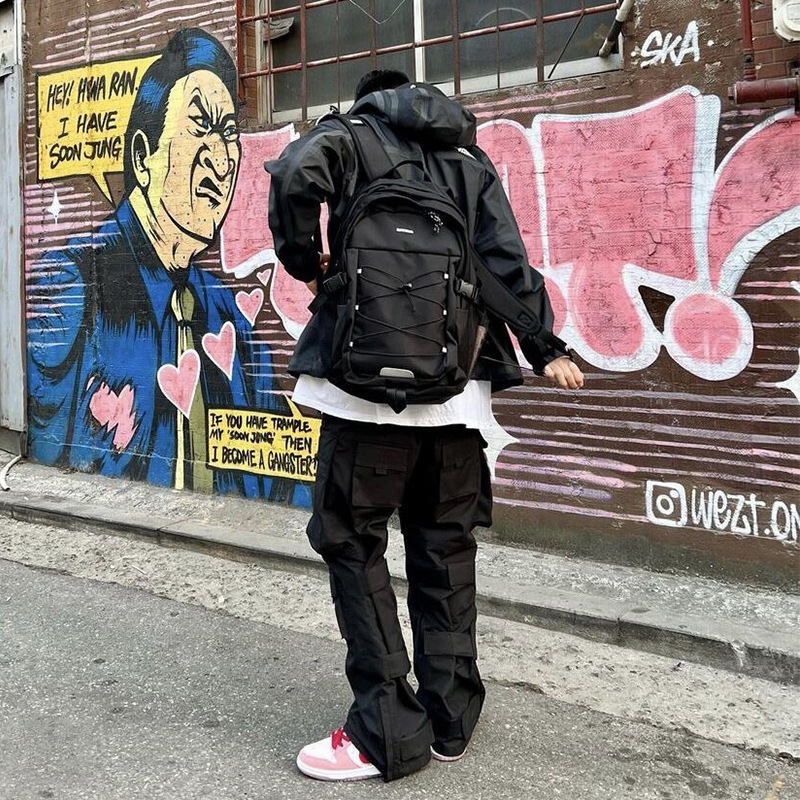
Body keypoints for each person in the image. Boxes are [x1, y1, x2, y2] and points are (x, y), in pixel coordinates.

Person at [267, 69, 584, 783]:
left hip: (364, 398)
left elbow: (293, 175)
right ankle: (450, 718)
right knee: (445, 549)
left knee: (353, 544)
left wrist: (306, 262)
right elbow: (505, 262)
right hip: (459, 397)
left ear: (368, 99)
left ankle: (386, 730)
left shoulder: (347, 136)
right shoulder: (468, 160)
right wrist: (544, 345)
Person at [28, 28, 304, 504]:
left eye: (229, 134)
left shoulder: (230, 320)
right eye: (200, 126)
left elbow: (287, 479)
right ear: (142, 157)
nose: (222, 160)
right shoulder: (74, 285)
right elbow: (46, 452)